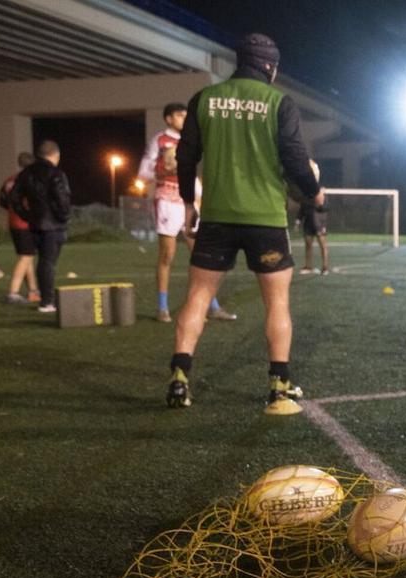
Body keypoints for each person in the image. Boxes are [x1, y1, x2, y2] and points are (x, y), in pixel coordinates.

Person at [168, 33, 323, 415]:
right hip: (265, 218)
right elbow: (294, 156)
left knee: (198, 297)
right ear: (270, 66)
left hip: (217, 217)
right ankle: (278, 386)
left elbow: (185, 157)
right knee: (277, 301)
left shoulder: (204, 99)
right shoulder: (278, 102)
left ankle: (179, 378)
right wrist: (313, 191)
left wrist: (188, 202)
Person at [138, 103, 236, 323]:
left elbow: (191, 174)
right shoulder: (159, 140)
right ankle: (162, 307)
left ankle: (212, 306)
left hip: (189, 202)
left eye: (186, 115)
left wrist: (200, 195)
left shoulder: (190, 141)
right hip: (167, 199)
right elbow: (143, 172)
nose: (184, 119)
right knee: (168, 255)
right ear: (169, 119)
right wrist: (163, 168)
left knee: (201, 255)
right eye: (180, 115)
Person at [10, 140, 71, 313]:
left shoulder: (26, 173)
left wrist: (27, 216)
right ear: (56, 155)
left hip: (35, 224)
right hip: (53, 226)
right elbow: (62, 199)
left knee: (43, 262)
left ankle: (46, 298)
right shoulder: (56, 173)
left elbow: (14, 199)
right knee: (48, 263)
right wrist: (64, 217)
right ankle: (47, 302)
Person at [0, 152, 40, 303]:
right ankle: (13, 293)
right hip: (25, 222)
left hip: (13, 222)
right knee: (26, 257)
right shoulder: (29, 179)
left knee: (26, 256)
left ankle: (33, 291)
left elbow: (2, 201)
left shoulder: (10, 180)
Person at [296, 160, 329, 275]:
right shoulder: (305, 191)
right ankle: (308, 266)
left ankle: (325, 267)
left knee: (323, 245)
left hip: (319, 222)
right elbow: (302, 207)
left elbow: (325, 208)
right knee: (308, 244)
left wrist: (319, 202)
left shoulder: (321, 190)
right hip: (308, 223)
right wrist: (298, 220)